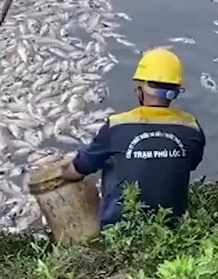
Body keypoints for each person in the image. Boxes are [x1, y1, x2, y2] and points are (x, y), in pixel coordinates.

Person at [58, 48, 205, 228]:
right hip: (170, 226)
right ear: (176, 90)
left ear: (140, 90)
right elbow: (190, 164)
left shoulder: (117, 126)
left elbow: (78, 170)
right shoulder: (192, 128)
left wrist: (63, 167)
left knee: (104, 161)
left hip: (120, 228)